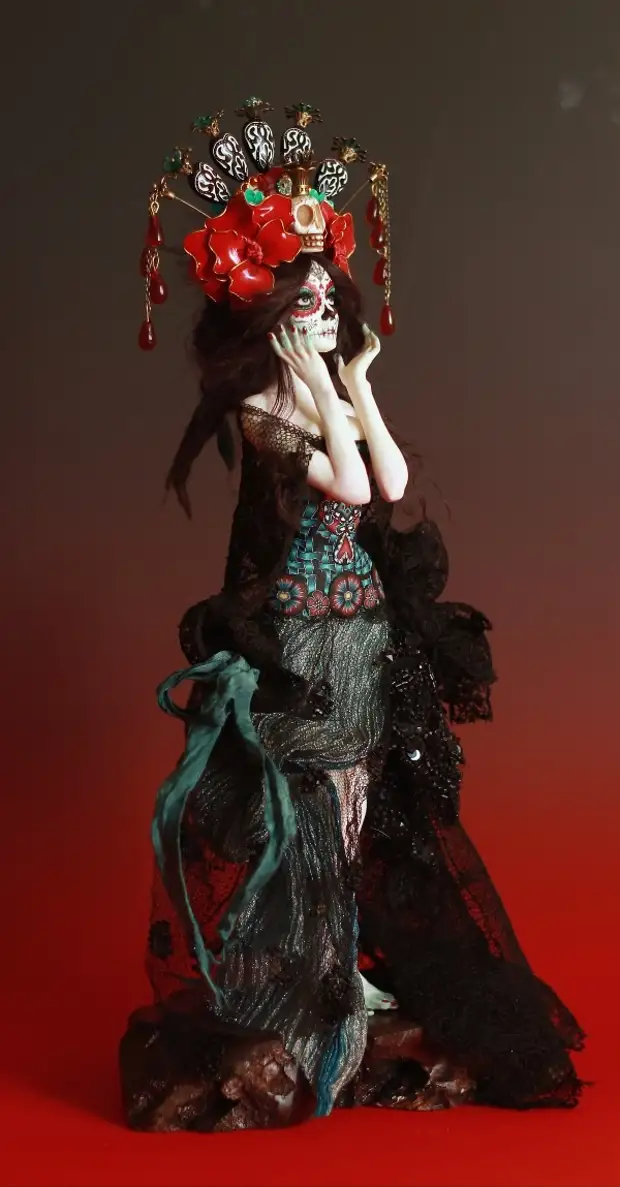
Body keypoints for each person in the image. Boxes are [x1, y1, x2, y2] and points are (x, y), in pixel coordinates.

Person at [120, 99, 585, 1132]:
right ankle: (308, 975)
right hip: (300, 634)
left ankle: (346, 973)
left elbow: (393, 479)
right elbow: (347, 482)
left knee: (361, 801)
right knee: (309, 810)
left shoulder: (325, 387)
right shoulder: (263, 408)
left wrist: (357, 378)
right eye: (307, 300)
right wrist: (318, 385)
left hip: (362, 625)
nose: (326, 311)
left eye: (331, 294)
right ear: (272, 313)